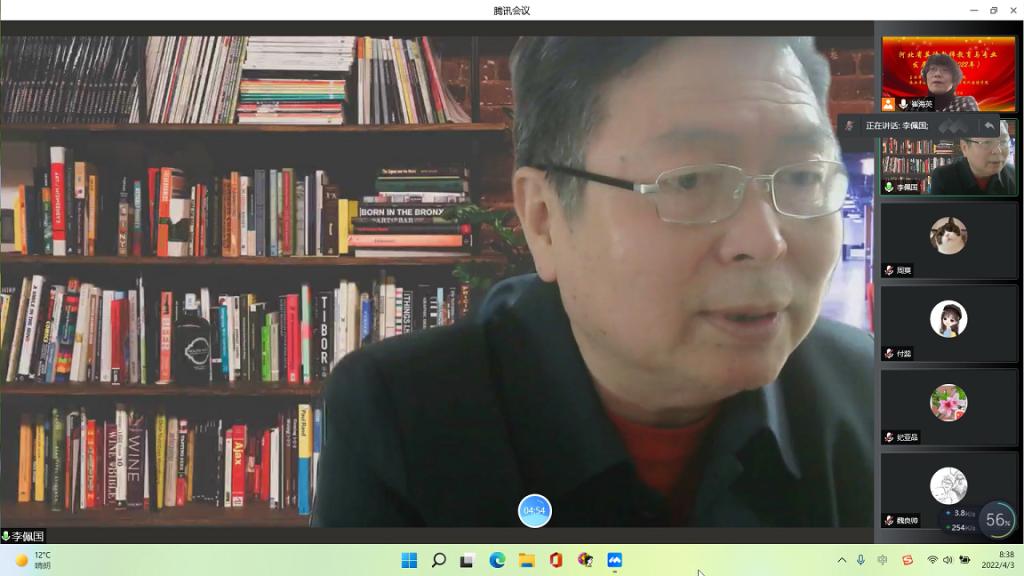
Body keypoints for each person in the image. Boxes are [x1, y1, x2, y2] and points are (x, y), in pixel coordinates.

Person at [311, 36, 873, 528]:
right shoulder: (401, 414)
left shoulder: (873, 395)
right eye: (690, 181)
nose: (766, 240)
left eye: (803, 177)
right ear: (544, 219)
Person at [930, 120, 1016, 195]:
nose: (998, 151)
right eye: (987, 142)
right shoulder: (943, 177)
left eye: (1003, 141)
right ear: (964, 147)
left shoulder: (1014, 174)